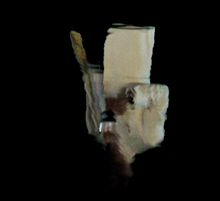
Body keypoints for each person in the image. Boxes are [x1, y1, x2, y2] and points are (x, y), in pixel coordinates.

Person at [70, 24, 168, 181]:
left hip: (93, 43)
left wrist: (79, 48)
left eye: (111, 180)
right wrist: (130, 99)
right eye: (121, 179)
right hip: (129, 35)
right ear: (131, 172)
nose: (115, 174)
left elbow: (89, 86)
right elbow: (162, 94)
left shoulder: (94, 132)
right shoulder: (148, 138)